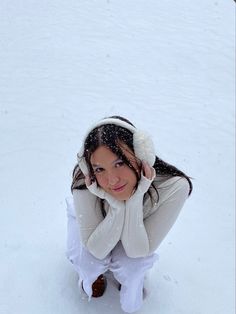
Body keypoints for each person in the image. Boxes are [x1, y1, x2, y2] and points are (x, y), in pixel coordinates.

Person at [66, 115, 193, 313]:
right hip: (98, 230)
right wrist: (117, 207)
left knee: (132, 267)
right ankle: (95, 276)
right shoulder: (86, 182)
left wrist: (135, 198)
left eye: (120, 163)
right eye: (100, 168)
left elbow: (138, 250)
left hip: (137, 233)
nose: (112, 180)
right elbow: (96, 249)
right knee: (88, 261)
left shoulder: (174, 186)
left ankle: (128, 285)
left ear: (142, 154)